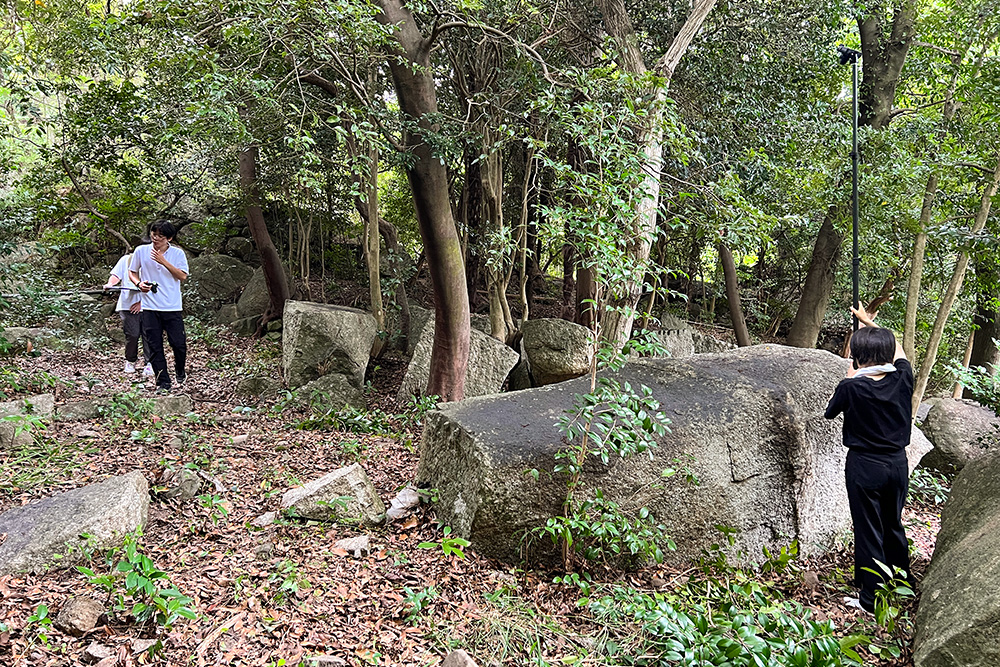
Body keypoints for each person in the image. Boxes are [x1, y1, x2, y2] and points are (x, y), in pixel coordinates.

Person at [824, 305, 915, 613]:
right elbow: (899, 353)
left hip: (864, 466)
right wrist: (870, 323)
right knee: (893, 523)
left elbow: (830, 412)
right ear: (889, 355)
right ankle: (902, 584)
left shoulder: (852, 386)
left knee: (868, 529)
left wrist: (850, 375)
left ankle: (870, 597)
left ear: (858, 357)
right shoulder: (903, 378)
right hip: (897, 465)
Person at [129, 220, 190, 392]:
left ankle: (180, 370)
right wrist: (139, 283)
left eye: (160, 236)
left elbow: (182, 276)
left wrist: (164, 261)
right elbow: (132, 272)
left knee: (178, 344)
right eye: (153, 235)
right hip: (149, 307)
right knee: (154, 346)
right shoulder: (141, 251)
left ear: (169, 238)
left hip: (172, 306)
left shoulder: (177, 254)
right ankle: (163, 382)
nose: (155, 239)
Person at [104, 253, 153, 377]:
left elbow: (158, 285)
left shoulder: (153, 261)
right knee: (132, 334)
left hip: (150, 305)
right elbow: (116, 275)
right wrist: (110, 284)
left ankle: (150, 363)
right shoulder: (126, 260)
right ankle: (130, 361)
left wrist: (142, 303)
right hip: (127, 305)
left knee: (149, 335)